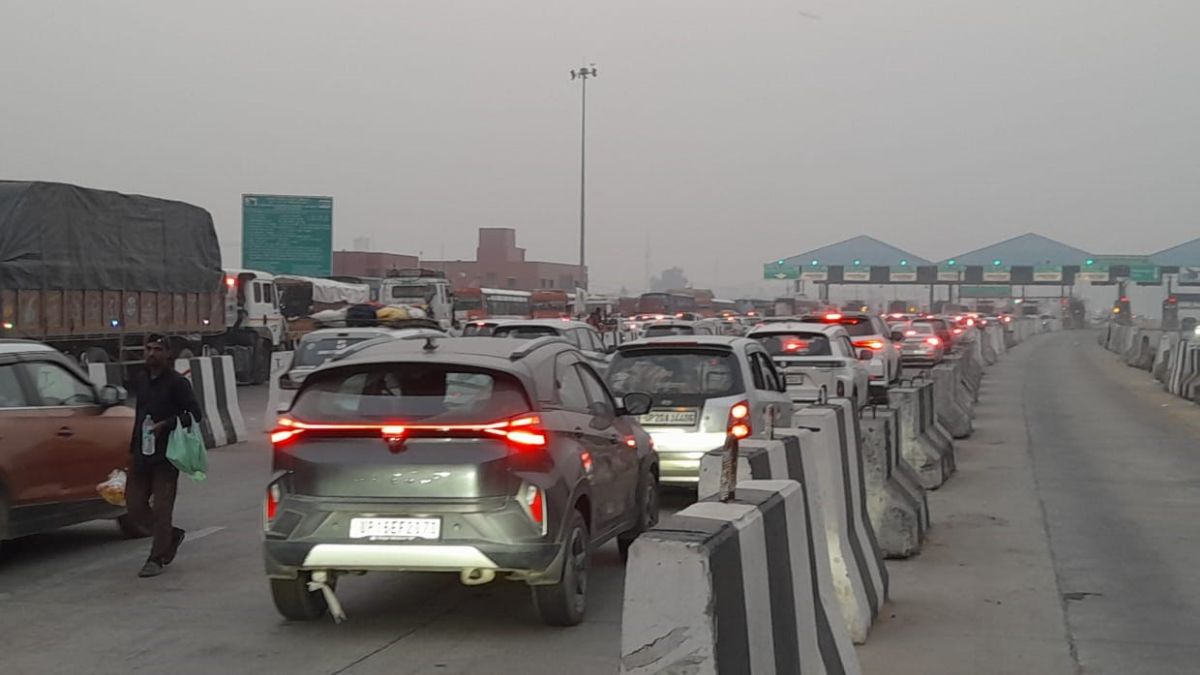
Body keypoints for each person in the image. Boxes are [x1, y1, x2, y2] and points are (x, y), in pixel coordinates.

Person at [127, 334, 202, 578]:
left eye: (157, 349)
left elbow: (194, 415)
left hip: (167, 456)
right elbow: (139, 416)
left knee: (161, 507)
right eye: (148, 348)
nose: (151, 353)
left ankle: (156, 558)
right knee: (134, 505)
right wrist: (132, 449)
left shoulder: (178, 383)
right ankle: (171, 535)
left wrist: (166, 424)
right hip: (141, 454)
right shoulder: (142, 380)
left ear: (167, 354)